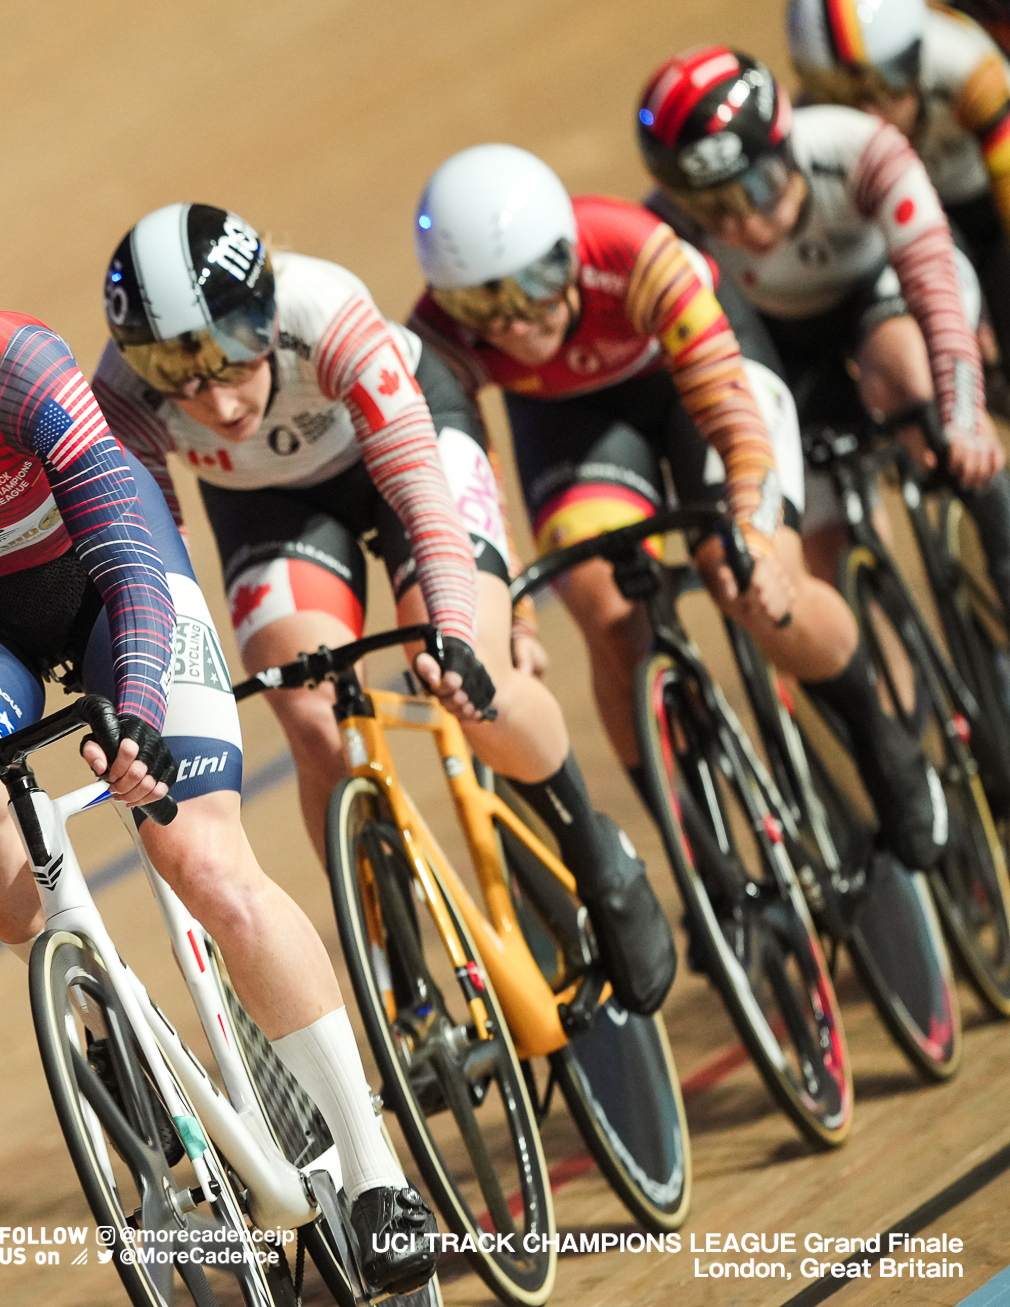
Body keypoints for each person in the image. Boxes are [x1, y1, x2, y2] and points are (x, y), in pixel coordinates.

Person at [0, 258, 437, 1291]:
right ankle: (107, 1018)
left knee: (200, 856)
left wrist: (139, 711)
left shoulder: (4, 365)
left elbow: (119, 536)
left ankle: (376, 1175)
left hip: (112, 585)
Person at [91, 203, 676, 1015]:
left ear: (264, 312)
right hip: (270, 508)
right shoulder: (120, 396)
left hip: (402, 454)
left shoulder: (322, 314)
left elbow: (418, 489)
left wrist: (456, 630)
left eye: (232, 358)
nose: (216, 401)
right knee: (309, 711)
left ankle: (596, 849)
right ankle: (395, 965)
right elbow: (158, 568)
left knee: (479, 685)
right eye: (178, 376)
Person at [410, 142, 951, 876]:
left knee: (751, 581)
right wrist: (519, 622)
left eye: (533, 283)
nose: (510, 323)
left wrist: (755, 536)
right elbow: (473, 485)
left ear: (568, 252)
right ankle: (702, 858)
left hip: (693, 376)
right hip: (573, 422)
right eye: (481, 304)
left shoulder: (634, 250)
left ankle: (882, 738)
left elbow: (733, 420)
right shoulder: (438, 336)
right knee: (604, 610)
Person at [638, 44, 1010, 776]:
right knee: (821, 557)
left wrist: (963, 412)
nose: (746, 224)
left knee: (903, 372)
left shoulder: (855, 146)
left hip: (884, 296)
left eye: (761, 187)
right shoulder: (667, 236)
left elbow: (933, 278)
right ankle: (921, 760)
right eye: (715, 210)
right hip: (782, 346)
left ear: (788, 142)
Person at [785, 0, 1010, 385]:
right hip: (910, 219)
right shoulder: (807, 125)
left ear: (916, 60)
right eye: (836, 94)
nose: (868, 113)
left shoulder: (970, 70)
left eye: (883, 85)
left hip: (983, 198)